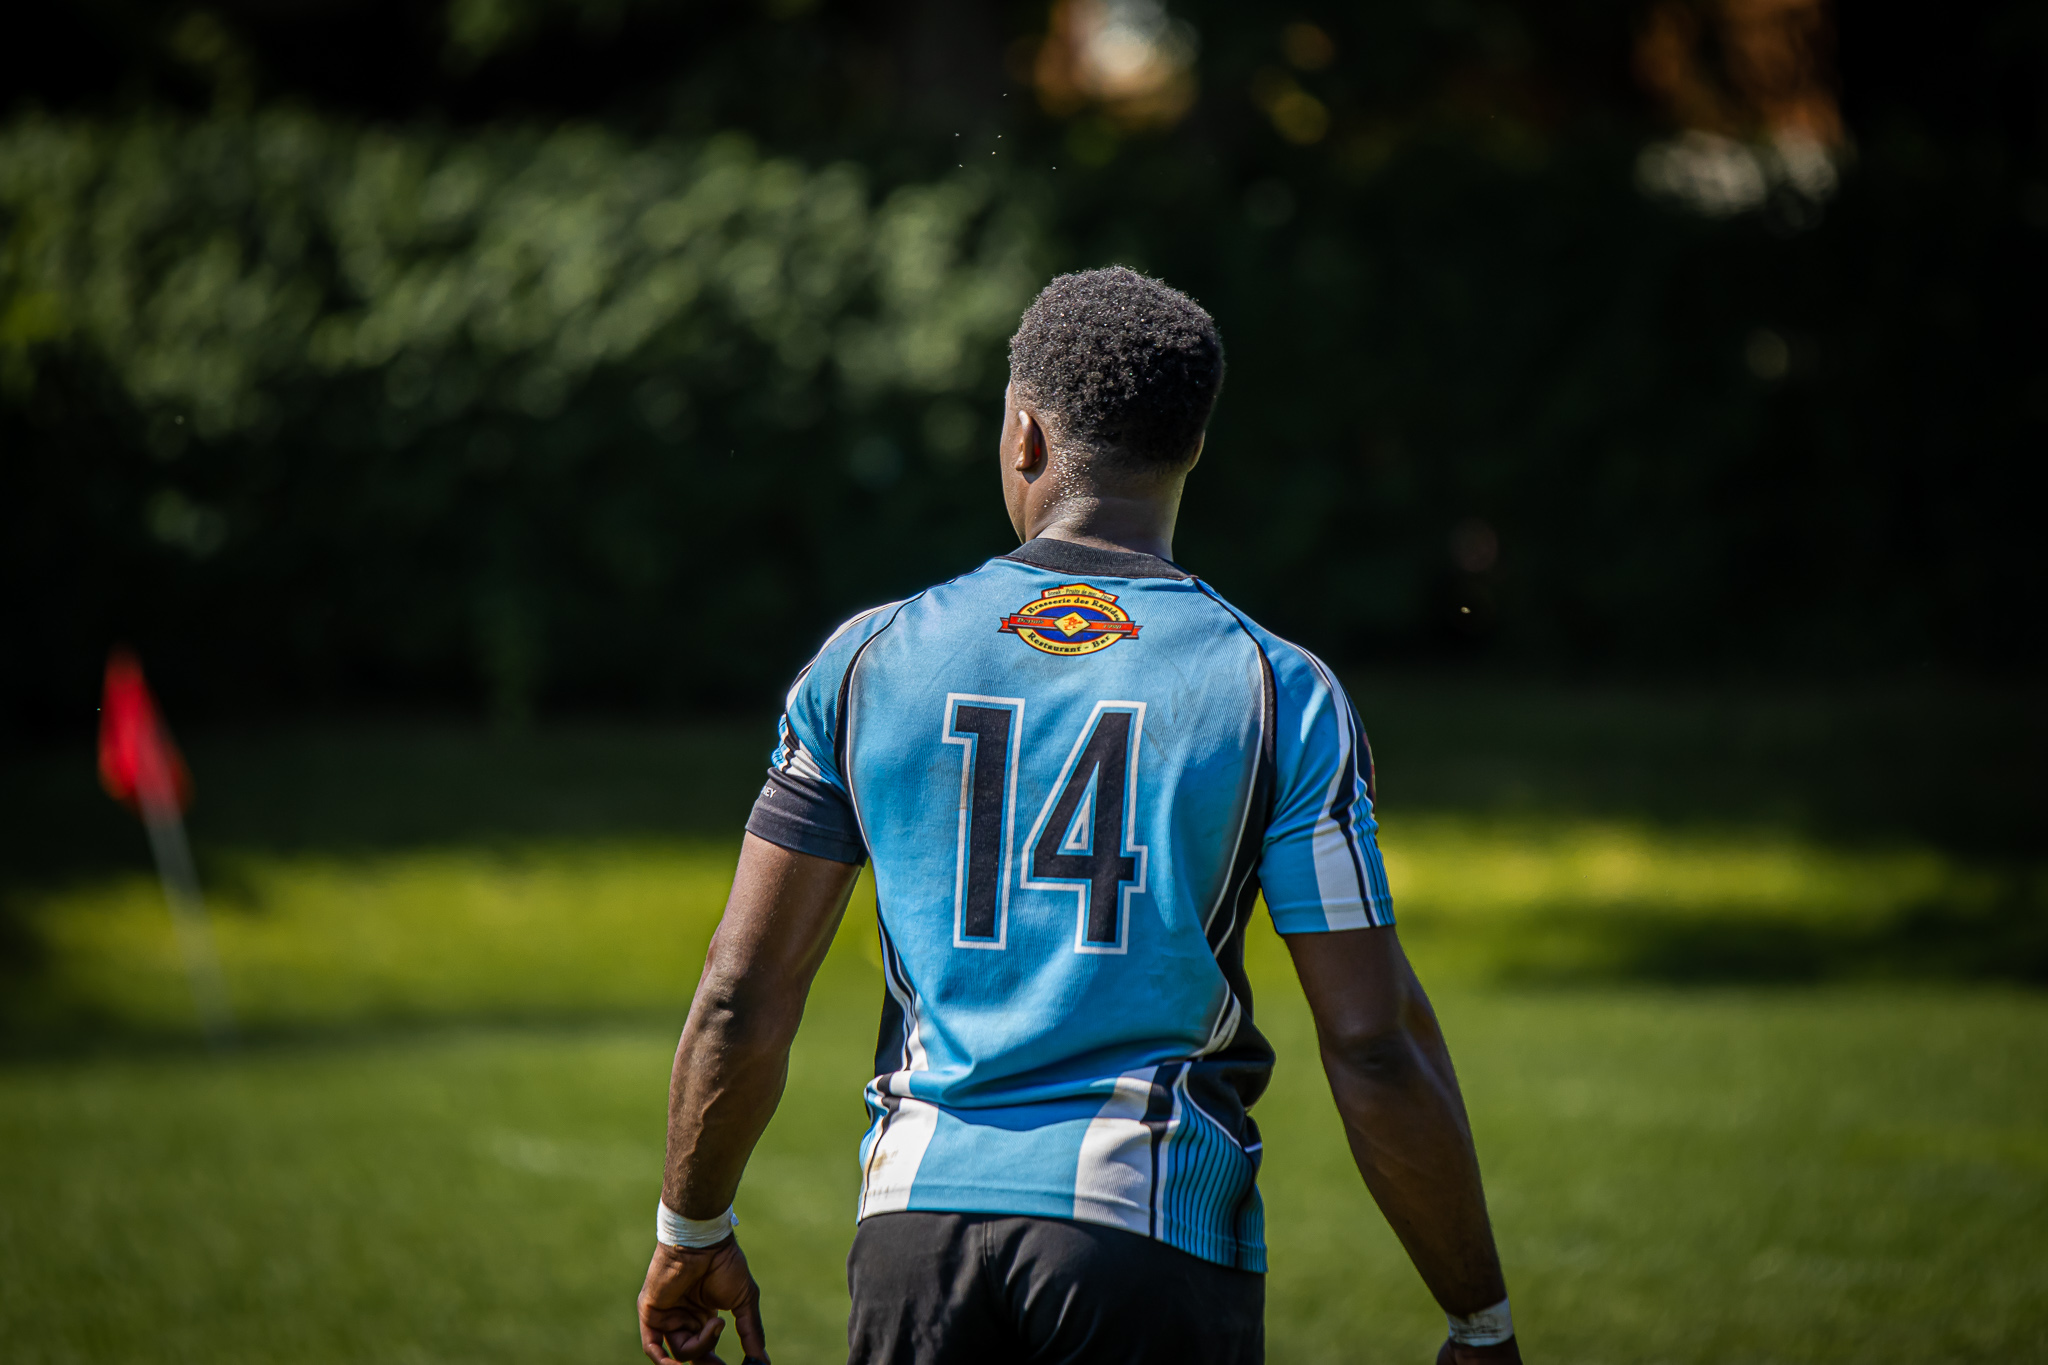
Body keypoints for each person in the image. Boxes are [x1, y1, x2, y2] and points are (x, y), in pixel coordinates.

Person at [636, 266, 1522, 1365]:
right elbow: (1371, 1038)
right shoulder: (1276, 689)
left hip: (916, 1232)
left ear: (1021, 435)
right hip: (1147, 1234)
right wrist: (1476, 1319)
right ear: (1191, 448)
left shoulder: (866, 661)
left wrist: (692, 1228)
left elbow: (739, 993)